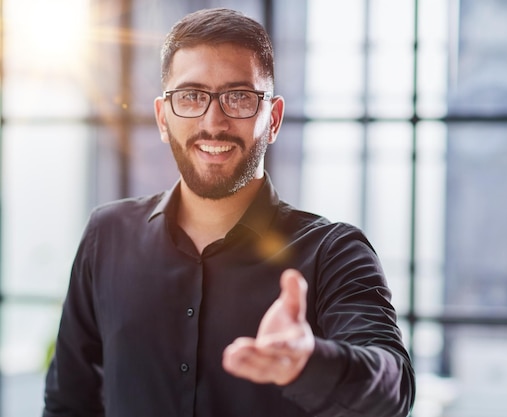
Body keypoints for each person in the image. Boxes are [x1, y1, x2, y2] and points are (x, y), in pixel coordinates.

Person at [42, 7, 415, 417]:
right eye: (191, 96)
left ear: (272, 119)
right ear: (163, 118)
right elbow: (68, 402)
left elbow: (393, 391)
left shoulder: (334, 252)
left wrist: (309, 363)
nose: (213, 121)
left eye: (238, 97)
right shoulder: (107, 233)